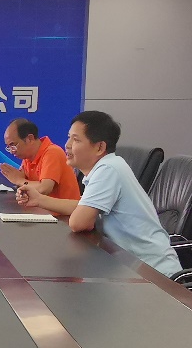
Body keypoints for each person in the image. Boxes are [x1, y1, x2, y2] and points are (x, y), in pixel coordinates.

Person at [16, 110, 182, 277]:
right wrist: (38, 199)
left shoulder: (108, 169)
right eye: (69, 137)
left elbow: (78, 222)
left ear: (99, 147)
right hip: (129, 266)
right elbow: (82, 206)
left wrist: (83, 217)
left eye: (76, 140)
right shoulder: (106, 167)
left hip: (154, 274)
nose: (67, 145)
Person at [0, 118, 82, 202]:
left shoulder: (53, 152)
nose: (11, 151)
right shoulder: (27, 157)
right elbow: (26, 184)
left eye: (13, 145)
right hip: (41, 208)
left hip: (64, 210)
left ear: (30, 139)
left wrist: (19, 180)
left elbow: (44, 189)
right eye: (8, 147)